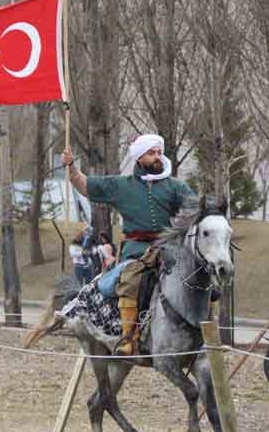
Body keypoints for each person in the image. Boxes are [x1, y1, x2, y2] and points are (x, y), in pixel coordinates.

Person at [62, 133, 194, 355]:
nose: (157, 157)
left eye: (159, 152)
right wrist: (72, 168)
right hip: (137, 252)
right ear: (140, 157)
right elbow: (84, 186)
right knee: (131, 279)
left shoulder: (175, 187)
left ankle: (205, 335)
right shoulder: (121, 185)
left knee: (197, 278)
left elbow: (194, 207)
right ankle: (129, 338)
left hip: (169, 249)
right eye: (152, 153)